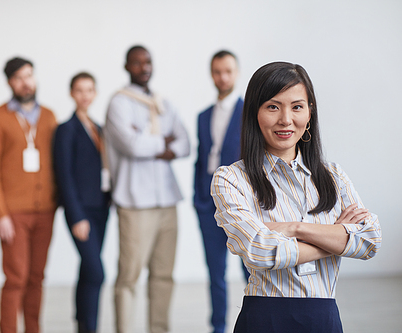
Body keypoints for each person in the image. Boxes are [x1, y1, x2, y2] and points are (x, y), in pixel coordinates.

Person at [211, 61, 382, 332]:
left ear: (309, 113)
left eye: (297, 107)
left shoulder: (333, 176)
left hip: (325, 320)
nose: (286, 119)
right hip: (264, 320)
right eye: (273, 106)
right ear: (254, 112)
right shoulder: (231, 179)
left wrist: (295, 228)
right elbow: (260, 250)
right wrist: (336, 238)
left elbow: (370, 240)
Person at [104, 45, 190, 333]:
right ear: (127, 66)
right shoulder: (118, 103)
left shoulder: (162, 102)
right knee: (129, 276)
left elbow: (185, 143)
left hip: (167, 200)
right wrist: (163, 142)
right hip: (135, 203)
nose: (144, 67)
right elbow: (131, 146)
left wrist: (148, 140)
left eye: (148, 62)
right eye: (137, 63)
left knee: (164, 275)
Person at [0, 57, 58, 333]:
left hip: (46, 212)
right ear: (9, 83)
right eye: (19, 78)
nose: (26, 83)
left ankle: (33, 329)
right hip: (14, 214)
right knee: (16, 278)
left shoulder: (48, 116)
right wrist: (1, 215)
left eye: (29, 76)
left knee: (37, 277)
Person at [193, 50, 249, 333]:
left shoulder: (248, 114)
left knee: (250, 271)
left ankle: (254, 322)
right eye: (217, 71)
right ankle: (218, 327)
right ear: (211, 74)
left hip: (240, 206)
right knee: (215, 273)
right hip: (207, 205)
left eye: (228, 71)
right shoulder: (203, 116)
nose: (222, 77)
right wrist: (197, 198)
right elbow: (201, 158)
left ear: (236, 73)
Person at [53, 72, 111, 333]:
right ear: (71, 93)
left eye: (89, 90)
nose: (85, 95)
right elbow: (64, 176)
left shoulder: (99, 128)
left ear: (95, 93)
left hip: (101, 208)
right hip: (81, 210)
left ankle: (82, 322)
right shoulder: (66, 130)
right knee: (97, 272)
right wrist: (76, 216)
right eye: (79, 90)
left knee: (88, 269)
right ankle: (89, 326)